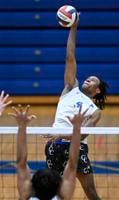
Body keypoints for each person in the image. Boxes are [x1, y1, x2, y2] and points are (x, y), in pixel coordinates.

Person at [45, 15, 108, 200]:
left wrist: (60, 134)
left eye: (92, 81)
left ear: (97, 90)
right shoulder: (70, 88)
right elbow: (69, 56)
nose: (87, 80)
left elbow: (82, 134)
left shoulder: (95, 111)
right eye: (87, 78)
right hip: (55, 146)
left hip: (76, 148)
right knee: (52, 192)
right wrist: (73, 27)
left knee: (91, 192)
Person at [9, 104, 87, 200]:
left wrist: (22, 126)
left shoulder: (26, 195)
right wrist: (77, 128)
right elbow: (73, 164)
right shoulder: (64, 195)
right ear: (58, 188)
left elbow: (21, 163)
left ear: (32, 186)